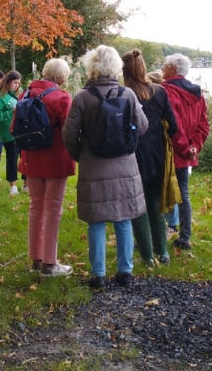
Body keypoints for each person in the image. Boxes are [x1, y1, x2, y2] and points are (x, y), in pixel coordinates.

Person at [62, 45, 149, 289]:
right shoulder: (128, 94)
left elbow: (69, 135)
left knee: (97, 222)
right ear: (115, 67)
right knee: (123, 220)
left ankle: (98, 275)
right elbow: (142, 126)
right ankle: (125, 271)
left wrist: (82, 155)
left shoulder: (82, 97)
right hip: (125, 167)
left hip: (94, 166)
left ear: (92, 66)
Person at [18, 58, 75, 278]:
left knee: (35, 207)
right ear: (61, 77)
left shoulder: (26, 93)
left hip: (31, 157)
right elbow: (69, 130)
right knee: (53, 209)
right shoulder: (61, 97)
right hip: (55, 159)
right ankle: (50, 264)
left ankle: (36, 259)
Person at [122, 49, 178, 267]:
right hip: (157, 156)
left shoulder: (124, 94)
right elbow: (173, 125)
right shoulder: (159, 92)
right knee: (154, 206)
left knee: (137, 207)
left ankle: (147, 256)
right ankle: (163, 252)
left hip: (131, 156)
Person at [162, 54, 210, 251]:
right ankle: (185, 237)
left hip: (167, 152)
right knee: (183, 194)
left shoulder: (166, 92)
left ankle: (156, 238)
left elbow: (173, 126)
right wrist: (193, 148)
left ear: (173, 68)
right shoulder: (198, 95)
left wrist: (183, 148)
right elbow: (203, 126)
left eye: (165, 65)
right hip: (186, 153)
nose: (162, 68)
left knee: (158, 193)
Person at [0, 70, 23, 195]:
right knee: (12, 158)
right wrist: (12, 112)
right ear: (8, 81)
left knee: (24, 157)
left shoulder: (14, 94)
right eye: (15, 82)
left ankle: (26, 184)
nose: (16, 85)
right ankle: (12, 186)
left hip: (19, 131)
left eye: (18, 83)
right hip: (7, 133)